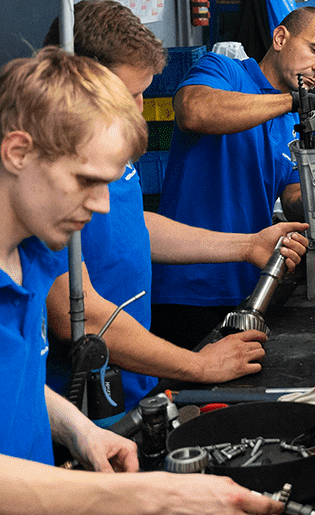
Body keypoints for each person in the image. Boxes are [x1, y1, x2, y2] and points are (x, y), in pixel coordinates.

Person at [0, 47, 279, 514]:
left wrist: (75, 428)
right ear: (17, 152)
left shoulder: (35, 256)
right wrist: (151, 496)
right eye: (85, 180)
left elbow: (14, 382)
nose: (102, 205)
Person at [42, 0, 309, 412]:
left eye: (142, 94)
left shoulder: (104, 147)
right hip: (80, 403)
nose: (138, 109)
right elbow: (76, 314)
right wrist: (199, 365)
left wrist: (246, 245)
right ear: (77, 82)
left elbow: (134, 226)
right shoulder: (46, 174)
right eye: (129, 94)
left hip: (130, 386)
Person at [149, 7, 315, 350]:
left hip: (251, 287)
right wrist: (292, 101)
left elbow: (293, 198)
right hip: (187, 289)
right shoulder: (225, 71)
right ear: (280, 38)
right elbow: (193, 110)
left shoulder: (294, 124)